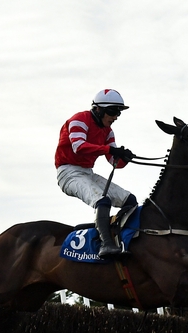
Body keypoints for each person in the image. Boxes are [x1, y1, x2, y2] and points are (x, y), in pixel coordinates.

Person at [54, 89, 138, 257]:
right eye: (113, 112)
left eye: (118, 113)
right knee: (102, 199)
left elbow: (114, 162)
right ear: (98, 109)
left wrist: (124, 158)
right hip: (68, 173)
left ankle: (116, 236)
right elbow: (79, 147)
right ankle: (105, 245)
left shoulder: (108, 132)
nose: (115, 117)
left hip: (87, 173)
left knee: (130, 200)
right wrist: (109, 149)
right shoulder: (80, 119)